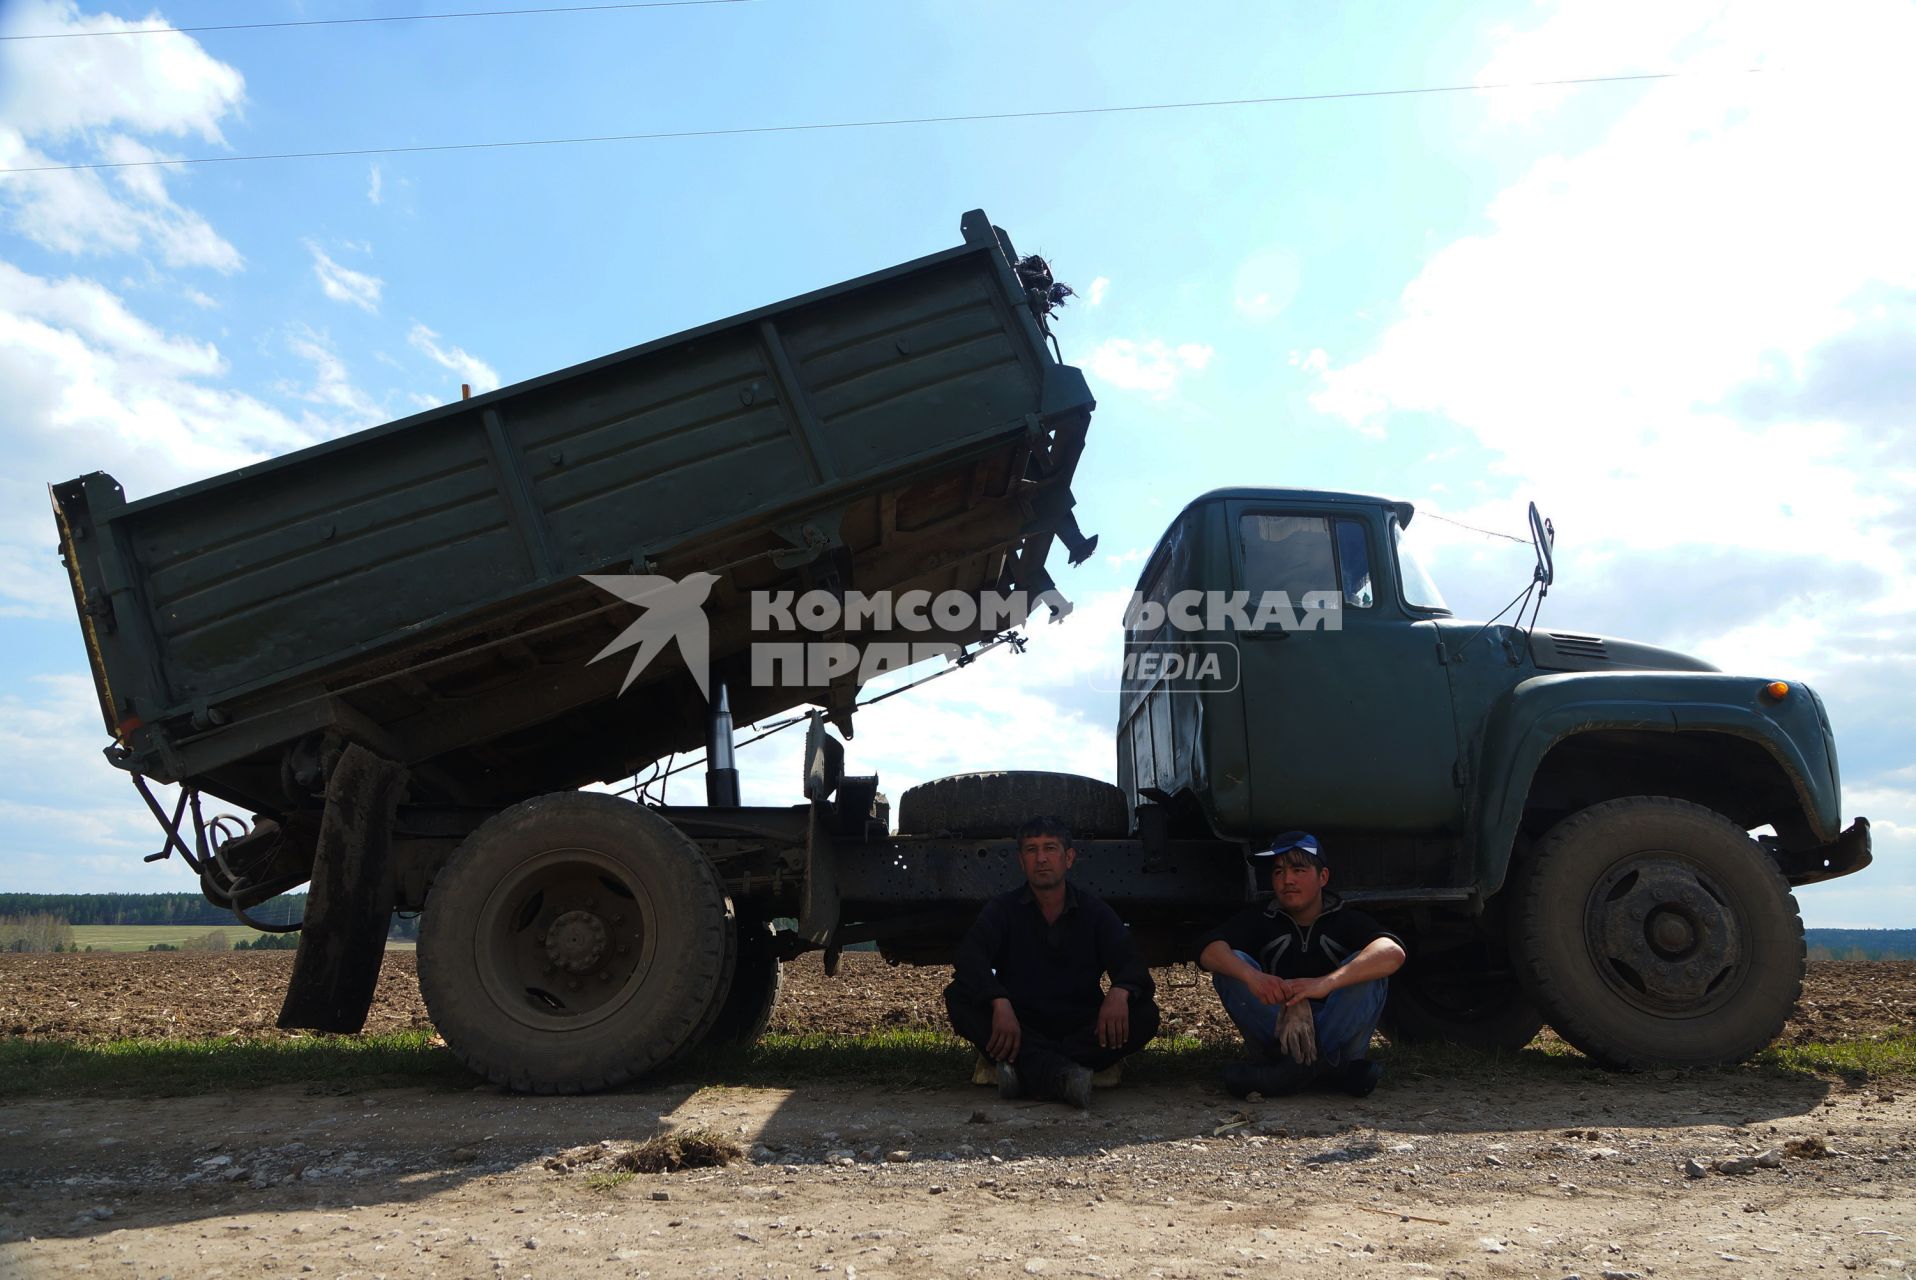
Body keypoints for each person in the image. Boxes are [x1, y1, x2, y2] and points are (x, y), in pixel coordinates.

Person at [944, 816, 1161, 1109]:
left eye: (1050, 848)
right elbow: (970, 957)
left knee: (1145, 1014)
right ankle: (1063, 1074)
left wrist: (1120, 990)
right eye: (1032, 850)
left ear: (1068, 857)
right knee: (958, 997)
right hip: (1020, 1024)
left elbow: (1132, 961)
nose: (1041, 858)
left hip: (1079, 1026)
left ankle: (1027, 1069)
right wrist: (998, 1000)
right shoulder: (1003, 909)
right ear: (1021, 861)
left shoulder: (1094, 911)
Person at [1197, 831, 1406, 1099]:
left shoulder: (1347, 919)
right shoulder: (1261, 918)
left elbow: (1392, 953)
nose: (1287, 880)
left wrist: (1324, 983)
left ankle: (1290, 1072)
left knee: (1368, 967)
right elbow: (1207, 950)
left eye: (1298, 869)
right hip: (1279, 1035)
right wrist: (1254, 978)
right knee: (1231, 966)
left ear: (1323, 877)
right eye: (1278, 872)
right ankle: (1330, 1070)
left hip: (1335, 1032)